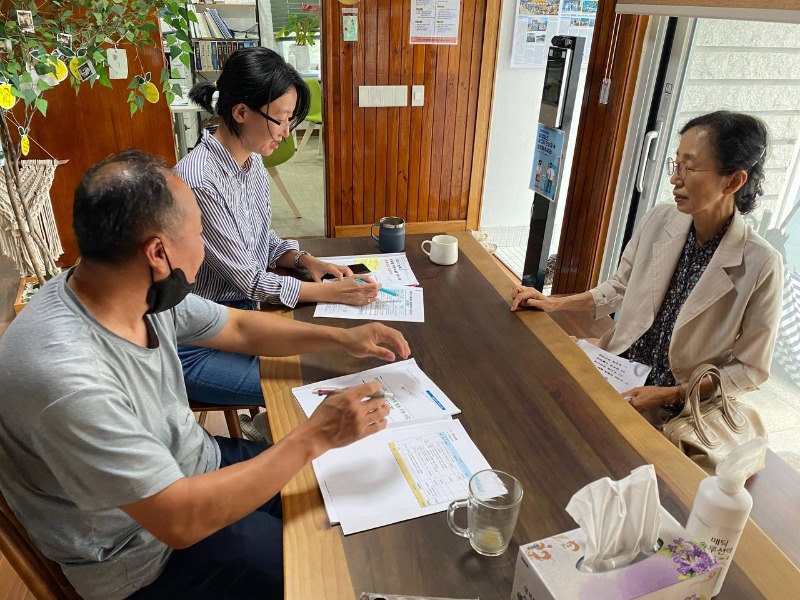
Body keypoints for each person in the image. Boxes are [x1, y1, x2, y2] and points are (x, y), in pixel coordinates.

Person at [0, 150, 411, 600]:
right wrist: (313, 436)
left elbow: (236, 325)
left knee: (344, 491)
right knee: (333, 576)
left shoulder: (129, 289)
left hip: (194, 463)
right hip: (147, 557)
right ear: (158, 252)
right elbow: (180, 521)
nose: (204, 247)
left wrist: (341, 340)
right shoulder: (66, 380)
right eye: (199, 232)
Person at [511, 111, 783, 419]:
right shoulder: (659, 219)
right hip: (619, 374)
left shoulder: (762, 263)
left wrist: (671, 393)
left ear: (733, 181)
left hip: (675, 410)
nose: (674, 178)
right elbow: (620, 286)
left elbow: (751, 369)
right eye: (676, 164)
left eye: (689, 167)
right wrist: (555, 303)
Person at [174, 48, 380, 432]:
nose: (287, 132)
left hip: (244, 316)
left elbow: (261, 237)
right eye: (281, 120)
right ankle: (272, 435)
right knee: (317, 379)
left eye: (291, 120)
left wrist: (304, 260)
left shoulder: (248, 160)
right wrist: (333, 293)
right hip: (200, 344)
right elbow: (251, 280)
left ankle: (271, 428)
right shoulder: (200, 180)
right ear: (240, 113)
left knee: (334, 357)